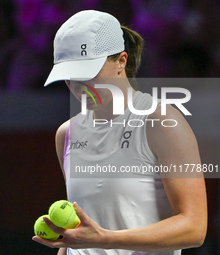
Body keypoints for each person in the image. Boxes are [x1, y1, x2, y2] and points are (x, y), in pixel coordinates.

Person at [32, 10, 207, 255]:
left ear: (121, 61)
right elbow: (81, 235)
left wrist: (106, 239)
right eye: (69, 75)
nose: (79, 85)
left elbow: (194, 228)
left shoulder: (161, 122)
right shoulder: (66, 134)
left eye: (88, 71)